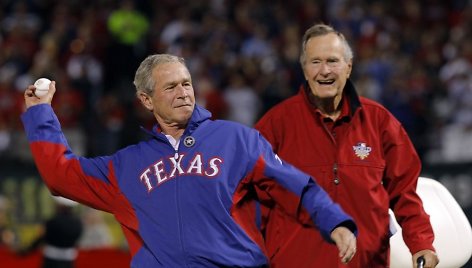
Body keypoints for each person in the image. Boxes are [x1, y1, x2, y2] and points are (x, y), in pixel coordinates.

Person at [21, 53, 358, 267]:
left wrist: (336, 222)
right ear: (146, 100)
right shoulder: (125, 166)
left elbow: (296, 186)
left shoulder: (236, 140)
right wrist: (40, 113)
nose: (183, 92)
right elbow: (60, 175)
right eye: (170, 87)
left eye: (186, 83)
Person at [255, 23, 440, 268]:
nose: (324, 71)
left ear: (348, 67)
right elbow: (254, 202)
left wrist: (421, 244)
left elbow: (405, 192)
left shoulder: (379, 121)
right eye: (315, 62)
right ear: (304, 69)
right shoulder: (274, 125)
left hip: (367, 262)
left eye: (333, 61)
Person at [19, 196, 83, 268]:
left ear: (60, 206)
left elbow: (41, 238)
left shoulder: (52, 222)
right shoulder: (78, 223)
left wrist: (25, 251)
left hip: (51, 261)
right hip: (68, 262)